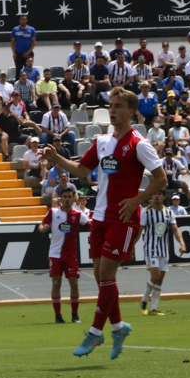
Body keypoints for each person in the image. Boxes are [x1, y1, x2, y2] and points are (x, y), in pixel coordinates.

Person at [41, 87, 166, 359]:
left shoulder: (139, 144)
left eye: (119, 106)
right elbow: (82, 170)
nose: (112, 110)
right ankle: (119, 327)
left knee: (107, 275)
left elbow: (161, 179)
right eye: (111, 105)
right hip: (99, 216)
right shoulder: (102, 142)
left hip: (123, 217)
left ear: (132, 112)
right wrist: (56, 159)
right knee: (100, 277)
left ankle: (95, 333)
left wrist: (138, 200)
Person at [38, 183, 87, 324]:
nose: (66, 199)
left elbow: (91, 226)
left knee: (74, 283)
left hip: (70, 255)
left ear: (73, 199)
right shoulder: (53, 212)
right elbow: (41, 226)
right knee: (56, 283)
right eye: (64, 196)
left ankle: (75, 315)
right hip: (55, 254)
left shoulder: (78, 215)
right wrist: (43, 228)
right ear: (60, 198)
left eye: (69, 197)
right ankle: (58, 316)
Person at [139, 193, 186, 317]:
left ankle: (153, 309)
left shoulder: (168, 212)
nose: (156, 196)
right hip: (150, 249)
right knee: (155, 275)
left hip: (163, 250)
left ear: (163, 197)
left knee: (160, 280)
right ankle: (144, 300)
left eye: (159, 194)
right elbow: (139, 230)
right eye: (154, 194)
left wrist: (182, 243)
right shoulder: (146, 212)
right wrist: (132, 246)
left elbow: (175, 229)